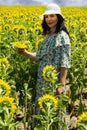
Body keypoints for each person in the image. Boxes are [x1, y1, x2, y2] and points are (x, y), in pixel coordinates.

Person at [19, 3, 71, 130]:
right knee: (43, 112)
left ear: (58, 17)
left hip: (54, 81)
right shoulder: (47, 35)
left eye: (52, 16)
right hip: (42, 81)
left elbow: (65, 63)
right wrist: (25, 52)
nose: (49, 19)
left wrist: (61, 85)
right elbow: (39, 57)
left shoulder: (62, 37)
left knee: (54, 113)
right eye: (47, 17)